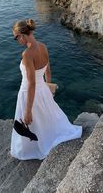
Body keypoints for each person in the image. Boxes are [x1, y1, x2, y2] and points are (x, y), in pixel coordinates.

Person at [10, 19, 82, 160]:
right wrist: (48, 88)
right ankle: (46, 138)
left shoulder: (27, 54)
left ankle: (31, 149)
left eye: (15, 37)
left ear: (21, 35)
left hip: (29, 93)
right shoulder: (43, 47)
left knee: (30, 121)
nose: (16, 41)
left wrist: (27, 110)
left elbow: (31, 84)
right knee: (46, 118)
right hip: (43, 90)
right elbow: (48, 70)